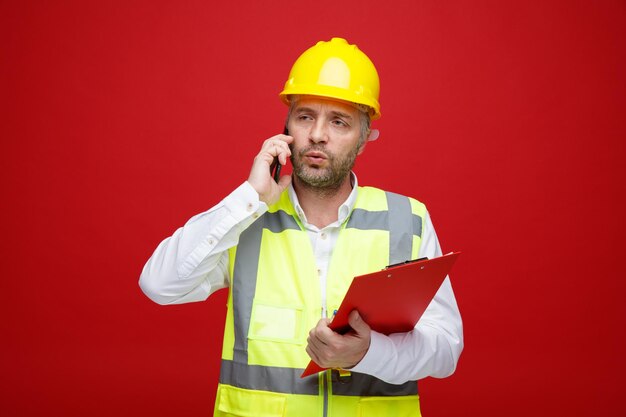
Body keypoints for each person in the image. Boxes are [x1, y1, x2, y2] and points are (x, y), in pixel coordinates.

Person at [139, 37, 463, 417]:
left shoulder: (407, 220)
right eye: (306, 116)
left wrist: (368, 353)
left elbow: (446, 350)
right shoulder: (246, 219)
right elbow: (158, 285)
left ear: (363, 139)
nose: (317, 135)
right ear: (287, 126)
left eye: (338, 121)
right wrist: (249, 197)